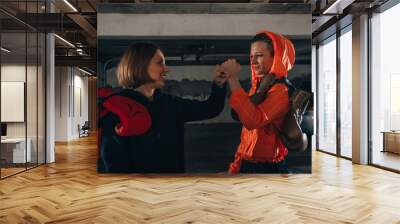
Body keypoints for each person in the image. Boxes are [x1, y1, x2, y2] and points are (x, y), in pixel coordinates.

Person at [98, 42, 228, 173]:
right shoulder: (118, 108)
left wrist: (219, 84)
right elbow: (113, 164)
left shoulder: (170, 104)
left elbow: (211, 108)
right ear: (140, 65)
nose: (166, 70)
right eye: (160, 63)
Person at [221, 30, 295, 173]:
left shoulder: (281, 91)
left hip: (267, 169)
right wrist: (236, 167)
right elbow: (243, 125)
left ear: (276, 58)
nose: (253, 61)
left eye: (259, 56)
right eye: (252, 56)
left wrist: (233, 78)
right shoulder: (259, 86)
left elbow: (252, 121)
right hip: (248, 164)